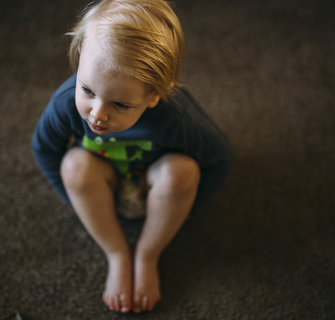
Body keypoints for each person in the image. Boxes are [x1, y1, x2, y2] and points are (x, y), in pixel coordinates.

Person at [31, 0, 232, 313]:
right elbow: (44, 148)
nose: (97, 114)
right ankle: (118, 254)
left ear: (155, 95)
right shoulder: (64, 104)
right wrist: (75, 199)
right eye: (87, 90)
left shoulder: (176, 117)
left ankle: (147, 255)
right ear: (81, 52)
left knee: (185, 171)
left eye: (120, 105)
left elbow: (219, 159)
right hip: (104, 186)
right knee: (73, 166)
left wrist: (191, 208)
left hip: (156, 190)